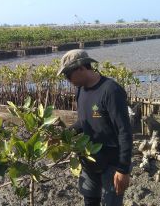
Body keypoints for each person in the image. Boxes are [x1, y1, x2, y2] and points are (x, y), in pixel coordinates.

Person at [57, 49, 132, 206]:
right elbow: (83, 122)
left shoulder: (111, 90)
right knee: (90, 200)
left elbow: (124, 131)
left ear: (81, 68)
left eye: (68, 74)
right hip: (89, 159)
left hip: (112, 163)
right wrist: (63, 135)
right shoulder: (80, 90)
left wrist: (123, 169)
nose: (67, 79)